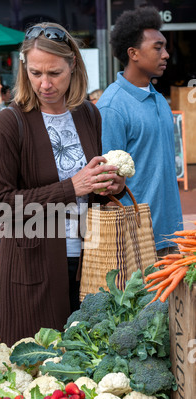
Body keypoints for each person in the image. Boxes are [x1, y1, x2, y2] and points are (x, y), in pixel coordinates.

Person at [0, 22, 126, 346]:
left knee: (87, 370)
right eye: (35, 73)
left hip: (89, 265)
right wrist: (69, 187)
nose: (44, 84)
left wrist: (109, 185)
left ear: (73, 65)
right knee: (37, 371)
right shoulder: (9, 122)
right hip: (34, 270)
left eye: (54, 73)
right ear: (24, 69)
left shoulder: (89, 114)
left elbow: (90, 193)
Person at [96, 6, 183, 256]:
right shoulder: (112, 107)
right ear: (133, 53)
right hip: (136, 243)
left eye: (165, 46)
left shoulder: (159, 100)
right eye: (158, 47)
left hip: (172, 236)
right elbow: (106, 188)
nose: (166, 54)